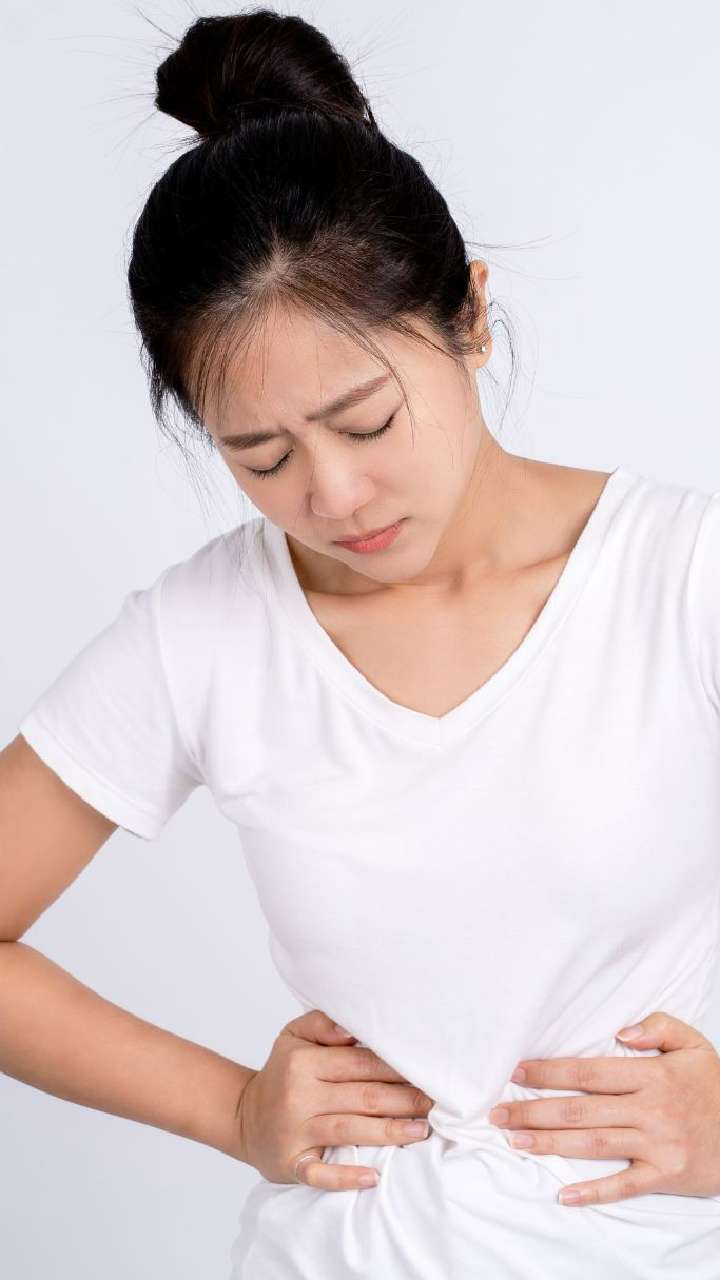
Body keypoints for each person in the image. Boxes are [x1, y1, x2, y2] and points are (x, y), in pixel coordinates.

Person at [2, 9, 720, 1278]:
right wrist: (233, 1107)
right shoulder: (202, 632)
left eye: (366, 420)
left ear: (470, 318)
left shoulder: (683, 577)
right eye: (260, 454)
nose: (332, 495)